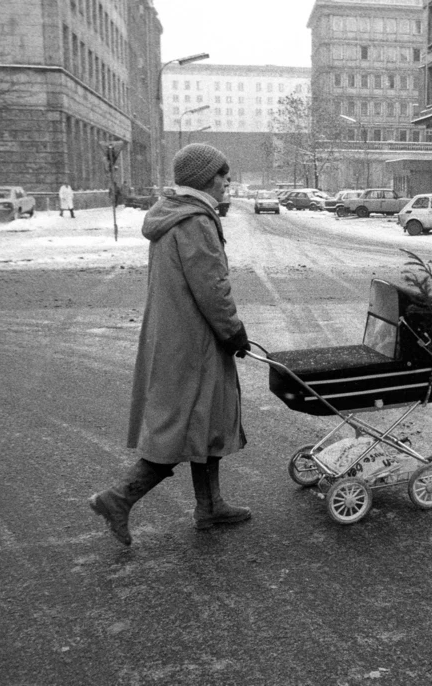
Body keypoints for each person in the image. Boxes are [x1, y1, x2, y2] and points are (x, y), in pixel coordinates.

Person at [88, 143, 252, 546]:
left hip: (177, 336)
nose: (226, 180)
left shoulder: (174, 215)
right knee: (179, 428)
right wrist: (232, 330)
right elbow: (211, 287)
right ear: (203, 179)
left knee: (205, 419)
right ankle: (118, 499)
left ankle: (210, 505)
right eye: (221, 174)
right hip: (195, 342)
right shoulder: (195, 221)